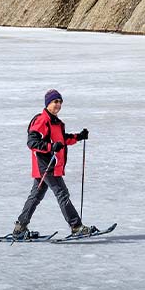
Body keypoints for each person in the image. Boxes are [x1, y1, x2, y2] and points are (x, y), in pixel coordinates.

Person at [8, 89, 97, 239]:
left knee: (35, 196)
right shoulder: (42, 120)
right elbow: (32, 142)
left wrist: (79, 137)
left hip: (50, 166)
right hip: (46, 165)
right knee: (62, 194)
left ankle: (20, 228)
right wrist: (50, 147)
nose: (58, 105)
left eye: (60, 102)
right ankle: (76, 226)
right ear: (48, 103)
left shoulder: (56, 122)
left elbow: (62, 140)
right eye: (55, 101)